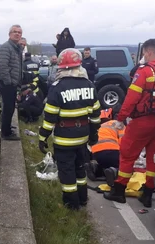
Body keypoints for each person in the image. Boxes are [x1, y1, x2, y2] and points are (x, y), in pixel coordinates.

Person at [103, 39, 155, 208]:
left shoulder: (145, 72)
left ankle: (119, 190)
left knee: (128, 154)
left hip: (142, 121)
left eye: (144, 53)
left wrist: (120, 118)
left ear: (148, 52)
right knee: (152, 157)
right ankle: (148, 192)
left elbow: (131, 98)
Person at [38, 48, 102, 210]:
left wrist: (42, 137)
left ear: (62, 67)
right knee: (80, 169)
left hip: (64, 139)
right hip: (83, 137)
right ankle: (83, 199)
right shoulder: (89, 84)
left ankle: (71, 205)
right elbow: (96, 114)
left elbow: (50, 118)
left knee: (67, 172)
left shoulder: (57, 87)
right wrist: (94, 133)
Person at [0, 24, 23, 141]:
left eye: (19, 32)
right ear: (9, 34)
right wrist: (9, 82)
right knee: (8, 108)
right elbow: (2, 66)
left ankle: (6, 127)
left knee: (10, 107)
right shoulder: (6, 48)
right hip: (6, 84)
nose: (17, 34)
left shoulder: (16, 48)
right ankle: (6, 133)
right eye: (15, 32)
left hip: (12, 83)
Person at [88, 105, 125, 183]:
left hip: (96, 153)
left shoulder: (103, 125)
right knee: (126, 168)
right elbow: (124, 145)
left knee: (105, 165)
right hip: (112, 151)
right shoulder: (120, 125)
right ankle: (114, 171)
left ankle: (96, 169)